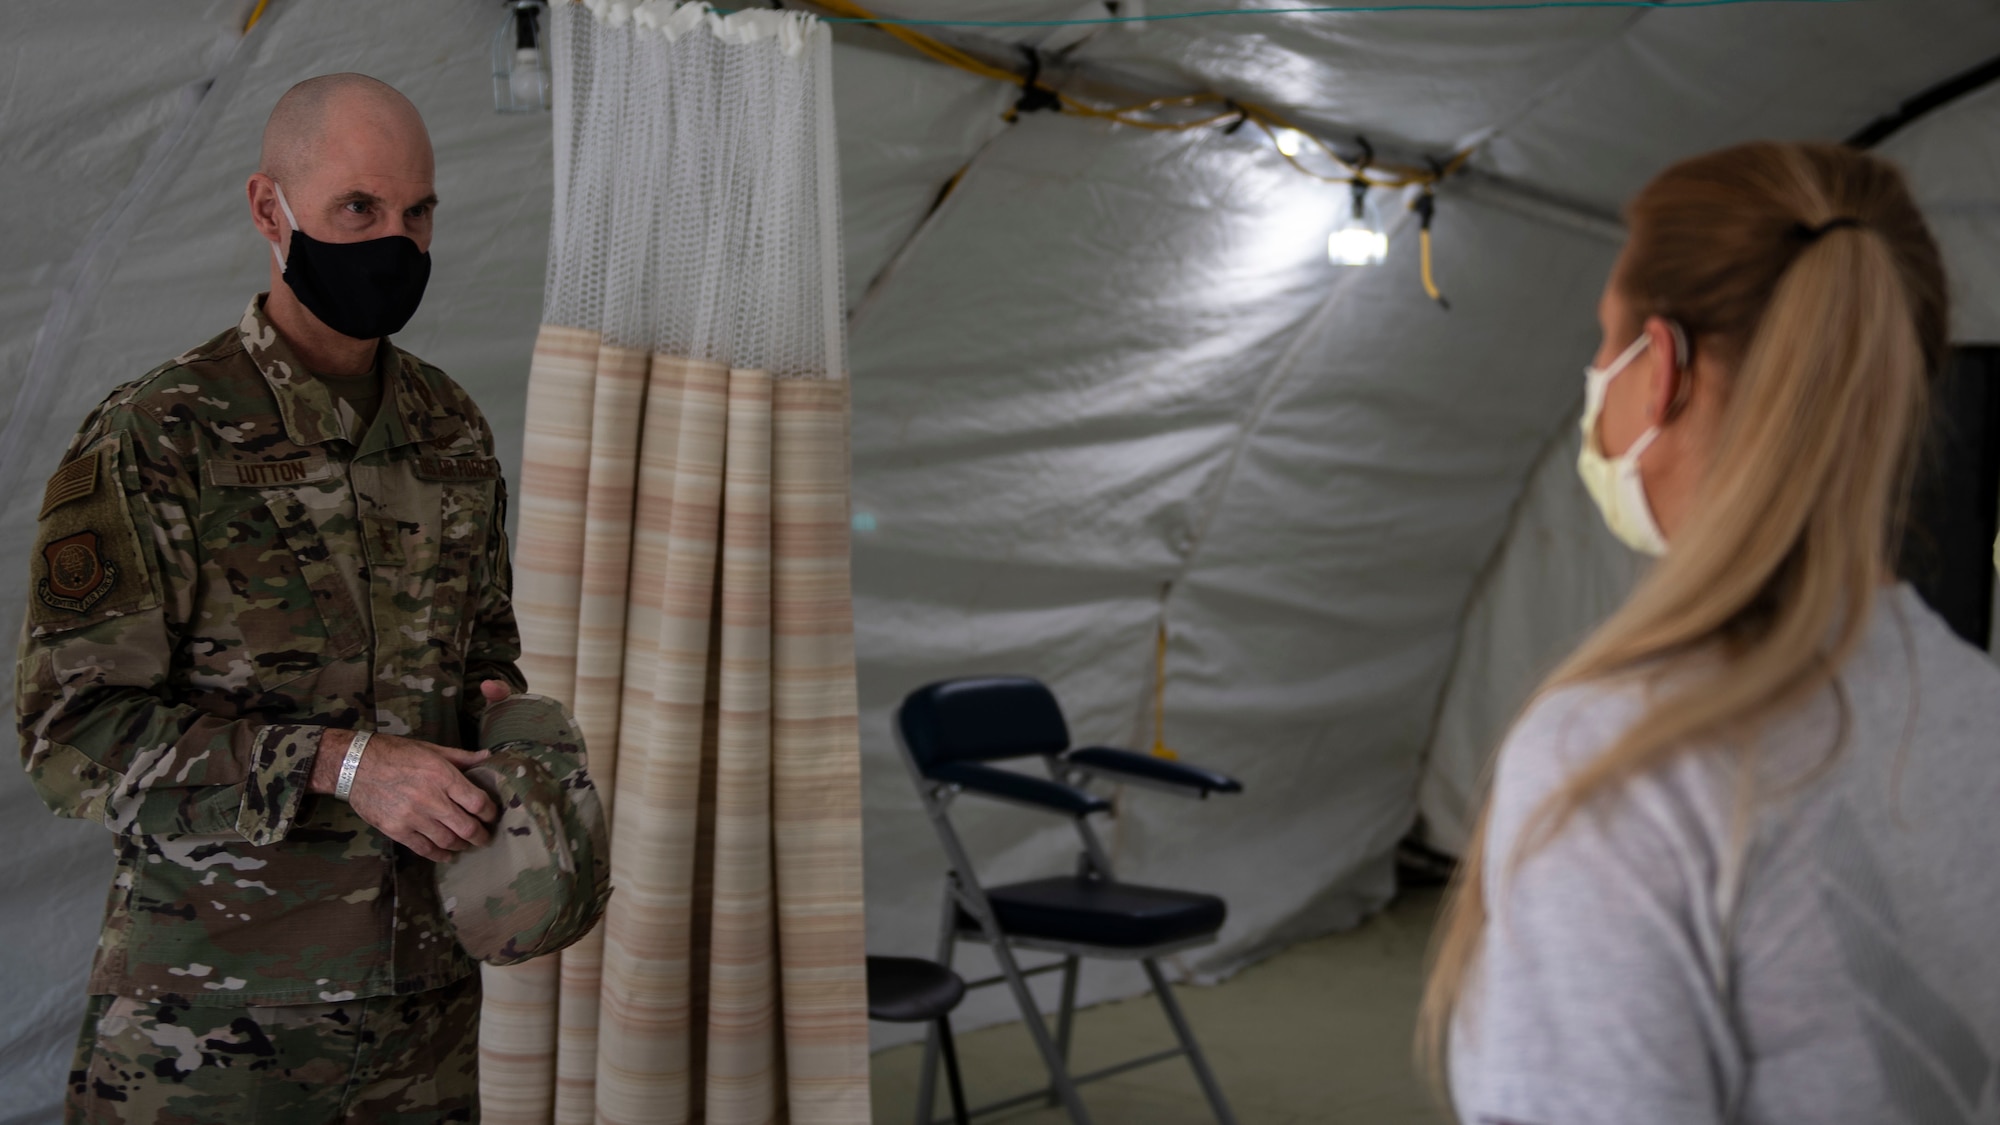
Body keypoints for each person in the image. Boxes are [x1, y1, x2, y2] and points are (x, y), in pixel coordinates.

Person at [18, 73, 572, 1123]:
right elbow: (72, 738)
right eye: (357, 210)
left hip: (422, 1023)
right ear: (270, 210)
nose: (394, 244)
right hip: (212, 1033)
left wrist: (523, 746)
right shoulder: (161, 435)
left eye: (418, 214)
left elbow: (484, 661)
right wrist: (343, 764)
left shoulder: (447, 427)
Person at [1421, 140, 1999, 1125]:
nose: (1594, 378)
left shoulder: (1616, 759)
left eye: (1604, 341)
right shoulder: (1973, 703)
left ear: (1665, 369)